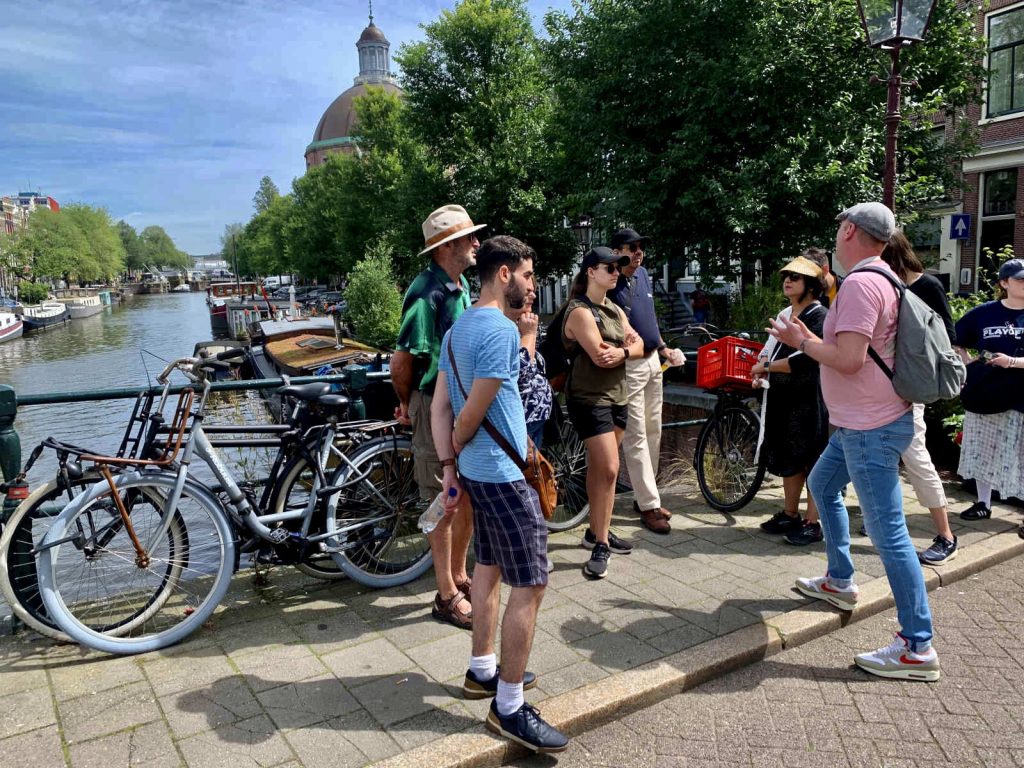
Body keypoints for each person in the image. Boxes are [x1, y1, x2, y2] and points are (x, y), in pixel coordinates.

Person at [770, 202, 939, 682]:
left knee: (890, 536)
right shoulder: (883, 275)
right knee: (823, 487)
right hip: (862, 423)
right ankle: (840, 581)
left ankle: (916, 645)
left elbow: (847, 359)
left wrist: (801, 342)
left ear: (848, 230)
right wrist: (806, 335)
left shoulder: (863, 283)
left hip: (869, 426)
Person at [431, 235, 569, 754]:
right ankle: (508, 707)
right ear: (505, 274)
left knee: (486, 568)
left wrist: (449, 465)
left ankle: (481, 670)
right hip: (506, 476)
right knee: (531, 585)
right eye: (530, 276)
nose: (533, 287)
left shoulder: (455, 330)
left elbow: (439, 408)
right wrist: (461, 444)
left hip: (474, 472)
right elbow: (471, 412)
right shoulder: (498, 331)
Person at [391, 204, 484, 630]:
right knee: (439, 500)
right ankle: (445, 594)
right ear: (448, 247)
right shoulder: (426, 294)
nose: (476, 244)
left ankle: (460, 575)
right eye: (469, 238)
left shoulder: (458, 285)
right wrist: (407, 405)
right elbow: (402, 359)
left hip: (454, 402)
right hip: (432, 403)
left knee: (460, 494)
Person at [561, 247, 644, 580]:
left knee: (601, 469)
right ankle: (601, 545)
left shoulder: (614, 309)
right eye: (609, 267)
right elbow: (599, 356)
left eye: (617, 268)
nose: (615, 272)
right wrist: (627, 349)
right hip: (589, 397)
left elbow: (638, 347)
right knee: (610, 468)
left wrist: (623, 350)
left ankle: (596, 532)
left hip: (617, 397)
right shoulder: (579, 311)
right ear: (591, 272)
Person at [880, 231, 959, 565]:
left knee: (915, 457)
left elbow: (947, 337)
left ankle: (946, 535)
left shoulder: (926, 287)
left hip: (911, 388)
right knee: (884, 456)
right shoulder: (888, 287)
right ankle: (888, 524)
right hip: (883, 387)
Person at [608, 228, 685, 534]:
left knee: (654, 430)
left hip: (654, 360)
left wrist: (664, 347)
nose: (638, 253)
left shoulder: (643, 276)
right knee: (636, 434)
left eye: (641, 248)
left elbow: (649, 318)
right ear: (617, 251)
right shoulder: (610, 281)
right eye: (632, 247)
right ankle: (650, 505)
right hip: (630, 365)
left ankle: (644, 499)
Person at [752, 256, 829, 546]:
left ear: (810, 285)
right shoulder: (787, 313)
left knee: (812, 460)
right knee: (790, 457)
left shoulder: (819, 316)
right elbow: (769, 348)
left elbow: (805, 359)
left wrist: (767, 368)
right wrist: (762, 364)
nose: (787, 281)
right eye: (786, 276)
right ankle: (790, 513)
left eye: (795, 278)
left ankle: (812, 522)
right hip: (785, 397)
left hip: (809, 398)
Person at [953, 257, 1024, 531]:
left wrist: (1013, 362)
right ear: (1004, 283)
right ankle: (983, 503)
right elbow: (956, 338)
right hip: (987, 393)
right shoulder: (983, 313)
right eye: (1019, 279)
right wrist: (967, 362)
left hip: (1021, 396)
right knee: (984, 450)